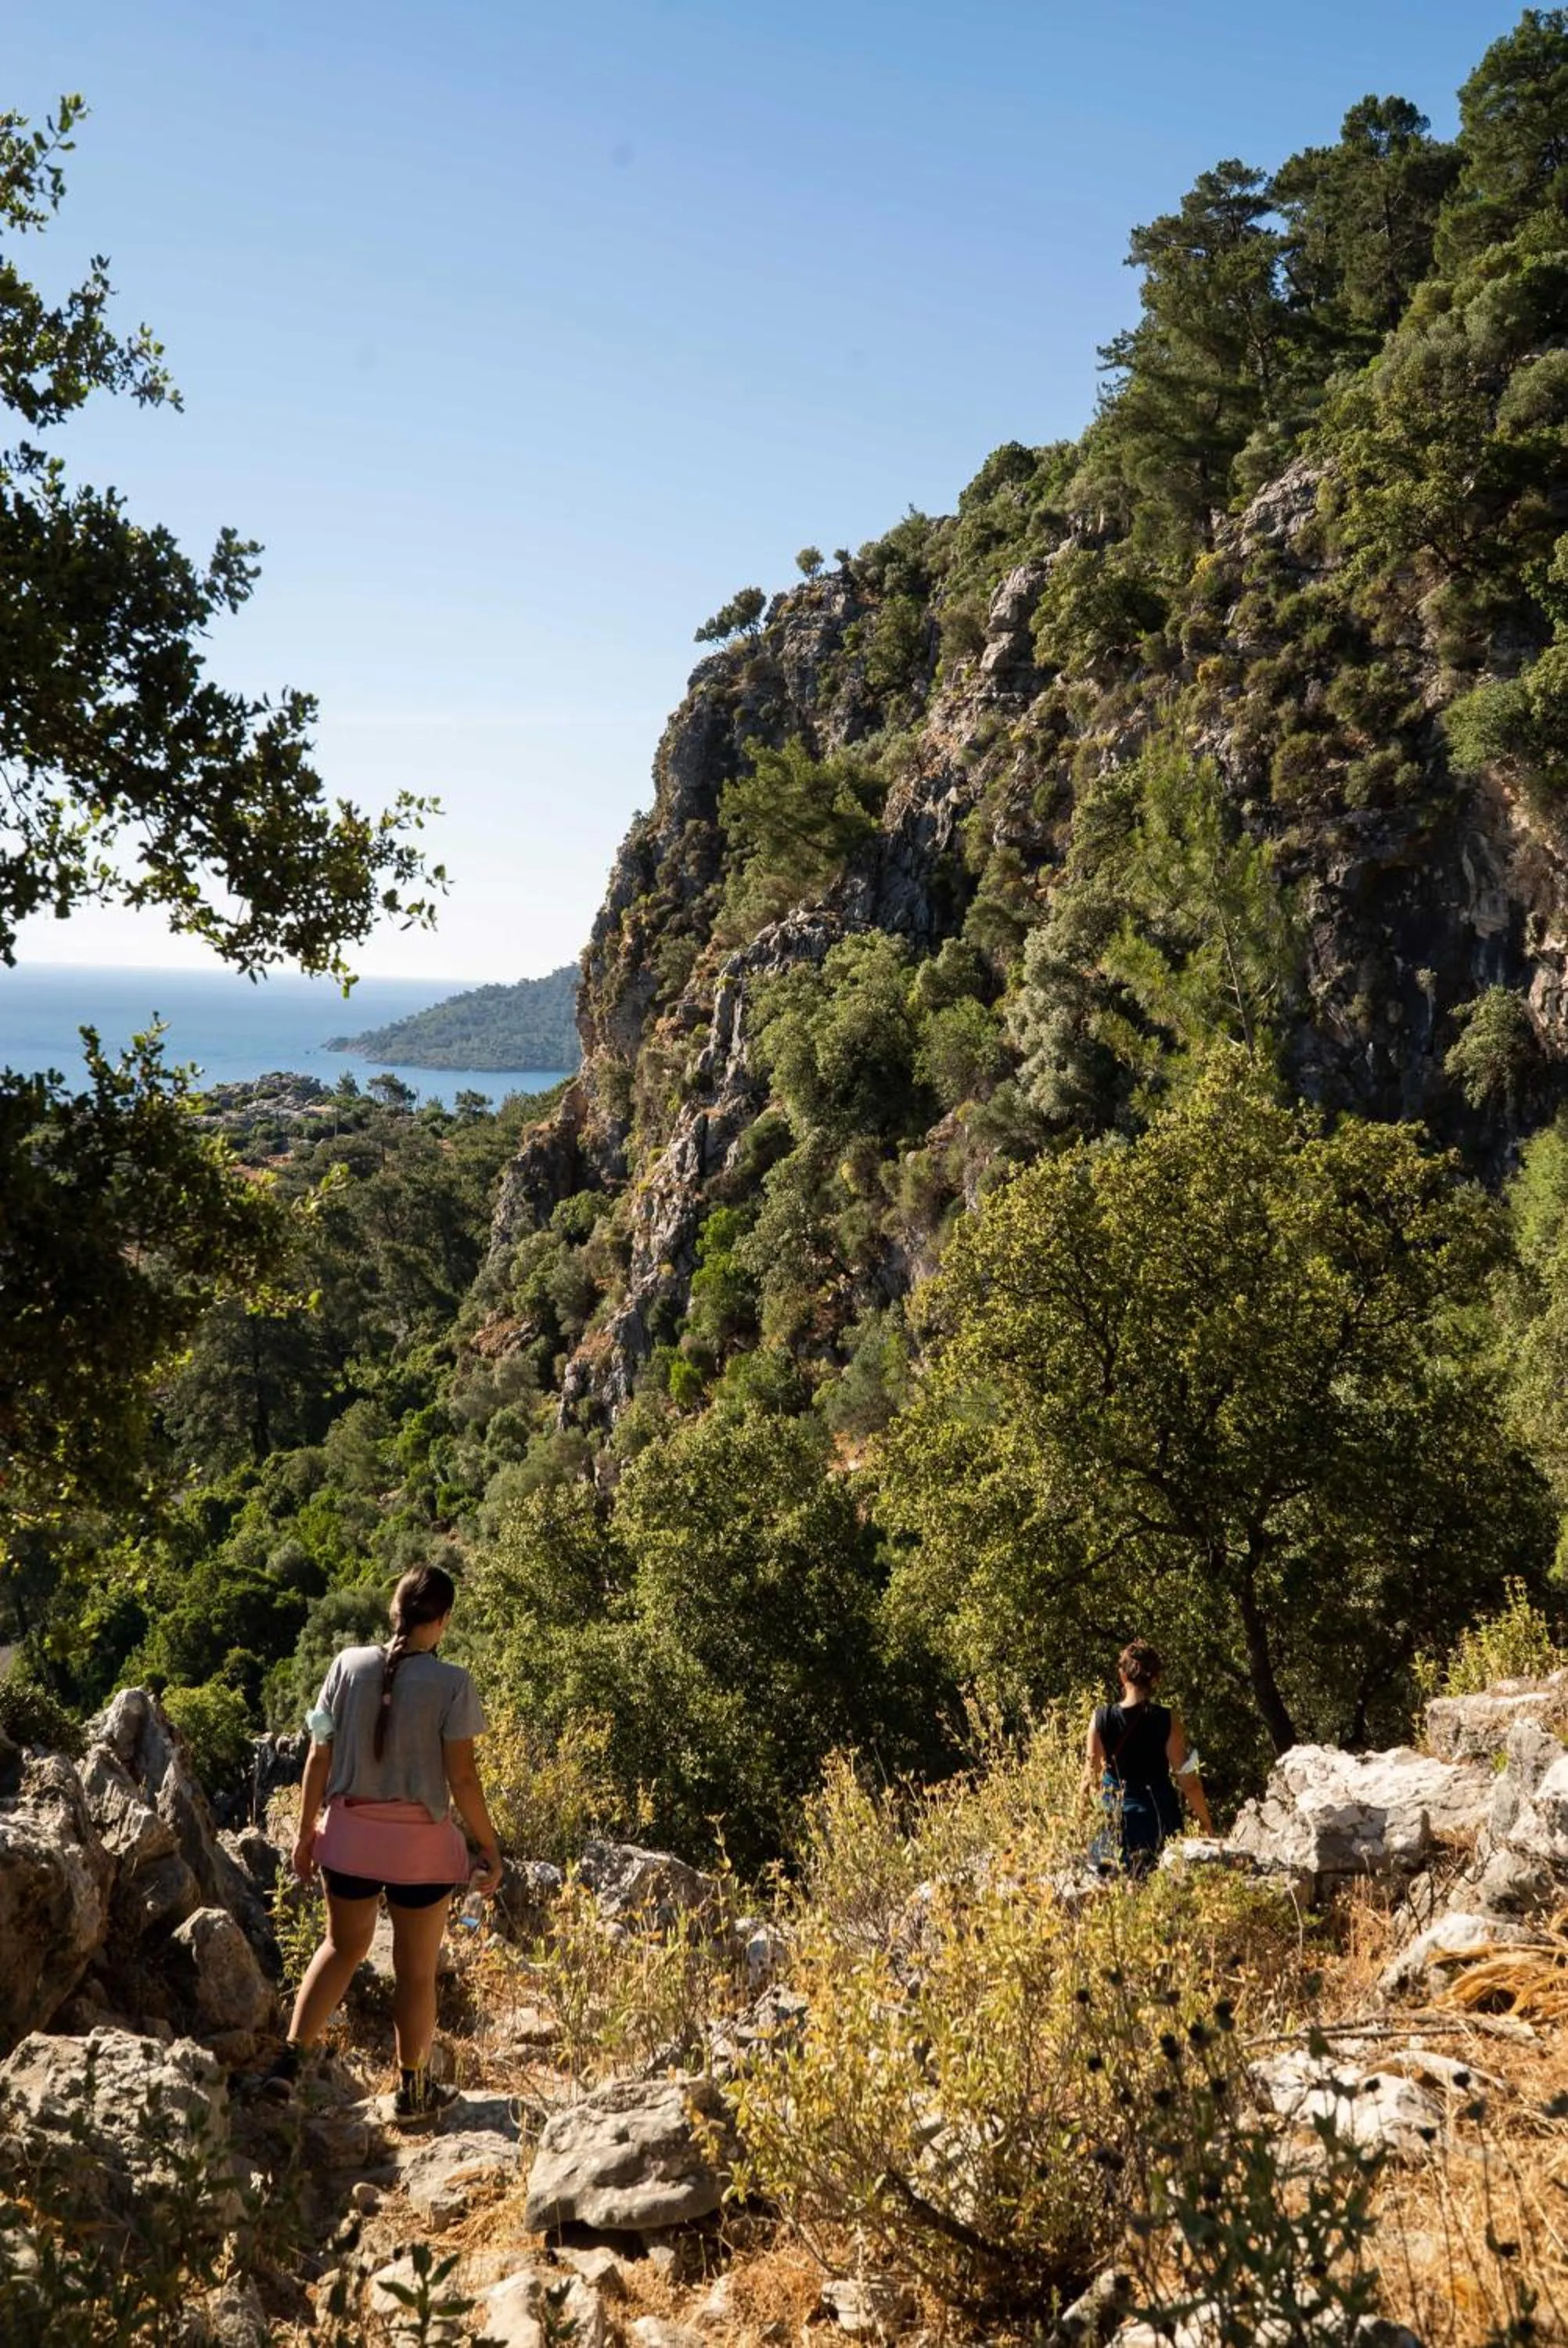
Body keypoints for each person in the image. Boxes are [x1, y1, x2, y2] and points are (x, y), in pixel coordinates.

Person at [268, 1564, 502, 2124]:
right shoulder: (453, 1684)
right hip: (421, 1851)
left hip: (348, 1840)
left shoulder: (345, 1666)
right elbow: (463, 1781)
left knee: (341, 1948)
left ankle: (286, 2068)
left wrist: (305, 1835)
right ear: (441, 1621)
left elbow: (317, 1756)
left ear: (392, 1612)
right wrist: (489, 1849)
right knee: (416, 1970)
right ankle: (414, 2092)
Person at [1082, 1639, 1213, 1877]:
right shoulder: (1166, 1720)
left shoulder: (1100, 1719)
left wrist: (1077, 1830)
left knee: (1115, 1895)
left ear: (1122, 1675)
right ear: (1155, 1680)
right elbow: (1189, 1783)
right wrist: (1207, 1824)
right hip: (1158, 1820)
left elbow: (1089, 1780)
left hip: (1113, 1823)